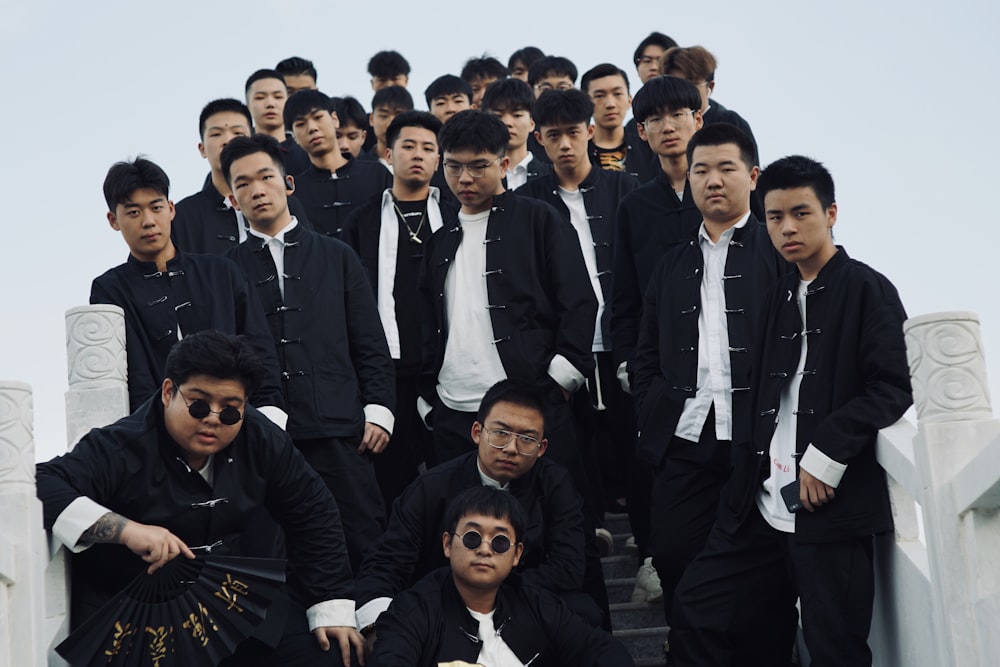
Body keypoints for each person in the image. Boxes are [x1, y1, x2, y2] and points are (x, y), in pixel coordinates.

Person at [670, 156, 913, 667]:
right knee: (696, 608)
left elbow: (894, 384)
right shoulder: (779, 292)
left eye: (801, 213)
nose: (787, 228)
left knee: (834, 648)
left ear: (831, 213)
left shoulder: (868, 289)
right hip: (758, 507)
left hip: (828, 512)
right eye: (775, 217)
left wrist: (828, 450)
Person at [36, 331, 363, 667]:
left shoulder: (262, 438)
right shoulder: (120, 445)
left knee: (328, 655)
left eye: (230, 411)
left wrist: (330, 605)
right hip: (140, 608)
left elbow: (312, 510)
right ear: (168, 392)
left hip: (232, 597)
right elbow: (41, 483)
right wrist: (128, 530)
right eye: (199, 404)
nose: (212, 418)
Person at [631, 123, 789, 645]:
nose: (713, 180)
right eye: (701, 170)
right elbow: (647, 352)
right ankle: (691, 651)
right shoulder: (672, 264)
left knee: (762, 563)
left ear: (753, 176)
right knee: (674, 553)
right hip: (688, 434)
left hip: (761, 436)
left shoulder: (778, 249)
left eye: (726, 169)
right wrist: (655, 405)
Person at [221, 134, 395, 571]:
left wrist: (378, 409)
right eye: (242, 184)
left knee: (360, 535)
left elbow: (369, 339)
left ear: (288, 184)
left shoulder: (337, 256)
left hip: (340, 427)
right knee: (278, 549)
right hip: (262, 436)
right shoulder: (225, 269)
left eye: (265, 177)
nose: (256, 189)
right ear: (231, 198)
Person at [418, 109, 596, 479]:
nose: (464, 177)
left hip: (530, 400)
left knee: (546, 517)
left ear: (503, 164)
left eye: (478, 165)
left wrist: (558, 383)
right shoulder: (440, 240)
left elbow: (579, 301)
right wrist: (429, 400)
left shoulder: (539, 219)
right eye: (453, 166)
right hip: (453, 407)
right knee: (465, 522)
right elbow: (425, 322)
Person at [355, 381, 609, 638]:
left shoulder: (556, 484)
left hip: (526, 601)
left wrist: (489, 591)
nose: (511, 448)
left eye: (526, 438)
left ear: (541, 448)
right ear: (477, 432)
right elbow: (387, 561)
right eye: (501, 433)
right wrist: (375, 624)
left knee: (583, 612)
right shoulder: (432, 487)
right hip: (443, 603)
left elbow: (568, 567)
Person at [518, 89, 638, 546]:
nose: (565, 144)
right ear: (539, 141)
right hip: (565, 347)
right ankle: (590, 529)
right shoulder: (528, 201)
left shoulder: (625, 189)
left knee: (633, 438)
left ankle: (644, 539)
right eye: (554, 136)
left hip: (621, 339)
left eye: (573, 132)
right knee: (573, 444)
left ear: (590, 131)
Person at [91, 157, 284, 424]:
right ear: (113, 220)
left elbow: (258, 347)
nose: (148, 221)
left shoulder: (221, 272)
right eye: (133, 212)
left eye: (156, 207)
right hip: (160, 435)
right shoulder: (110, 289)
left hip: (238, 423)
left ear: (171, 209)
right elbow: (133, 375)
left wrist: (269, 416)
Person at [610, 77, 706, 601]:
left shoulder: (727, 191)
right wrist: (629, 363)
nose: (668, 126)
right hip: (660, 372)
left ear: (699, 118)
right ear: (641, 133)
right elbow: (622, 295)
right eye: (654, 120)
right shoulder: (635, 205)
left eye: (679, 114)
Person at [369, 486, 634, 666]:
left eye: (499, 542)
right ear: (447, 544)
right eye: (472, 538)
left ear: (516, 554)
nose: (485, 549)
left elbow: (603, 651)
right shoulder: (413, 608)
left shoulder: (535, 602)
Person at [341, 111, 454, 509]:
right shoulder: (362, 220)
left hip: (447, 368)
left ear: (440, 159)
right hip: (387, 372)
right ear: (387, 153)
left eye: (428, 148)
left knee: (453, 479)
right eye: (408, 146)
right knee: (391, 484)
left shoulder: (457, 212)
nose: (418, 155)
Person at [171, 98, 312, 255]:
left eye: (237, 132)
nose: (227, 140)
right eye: (216, 134)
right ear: (202, 148)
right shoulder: (183, 217)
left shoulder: (285, 203)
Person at [285, 89, 392, 238]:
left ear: (334, 119)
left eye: (318, 117)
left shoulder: (377, 175)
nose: (312, 128)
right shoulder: (294, 191)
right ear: (293, 136)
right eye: (300, 124)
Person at [660, 45, 759, 167]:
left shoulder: (730, 122)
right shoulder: (662, 127)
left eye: (691, 85)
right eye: (676, 86)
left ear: (710, 87)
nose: (683, 93)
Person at [582, 63, 657, 183]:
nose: (610, 104)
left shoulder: (649, 148)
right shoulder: (579, 151)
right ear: (585, 103)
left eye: (617, 94)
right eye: (600, 96)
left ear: (629, 100)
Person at [479, 77, 552, 190]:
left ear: (532, 123)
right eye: (498, 116)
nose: (507, 123)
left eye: (517, 115)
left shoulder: (551, 176)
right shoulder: (477, 175)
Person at [244, 69, 310, 175]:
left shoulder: (307, 154)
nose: (270, 104)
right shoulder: (238, 156)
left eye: (278, 97)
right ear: (247, 107)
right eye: (260, 98)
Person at [361, 85, 415, 169]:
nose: (390, 123)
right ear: (371, 119)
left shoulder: (424, 164)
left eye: (398, 116)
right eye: (383, 116)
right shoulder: (359, 167)